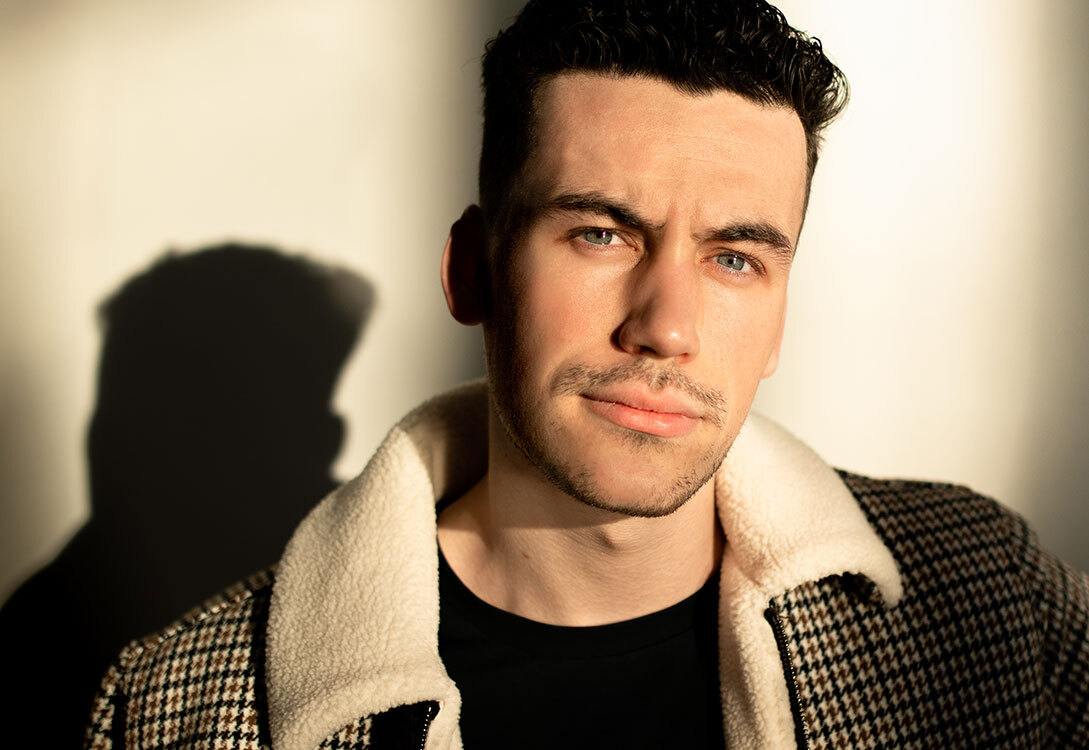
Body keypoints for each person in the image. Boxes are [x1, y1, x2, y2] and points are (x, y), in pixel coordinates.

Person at [84, 1, 1089, 748]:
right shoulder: (180, 708)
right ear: (471, 271)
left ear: (780, 313)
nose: (666, 328)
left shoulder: (989, 592)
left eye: (735, 258)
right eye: (602, 234)